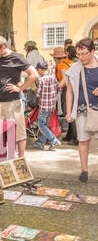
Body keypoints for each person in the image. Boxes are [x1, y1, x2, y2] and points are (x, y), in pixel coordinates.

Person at [0, 36, 38, 157]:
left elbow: (34, 75)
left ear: (4, 47)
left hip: (14, 102)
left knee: (19, 133)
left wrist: (21, 88)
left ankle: (21, 159)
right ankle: (4, 157)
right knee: (0, 133)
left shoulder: (17, 57)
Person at [65, 37, 98, 182]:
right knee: (83, 141)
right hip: (82, 110)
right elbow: (69, 91)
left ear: (92, 51)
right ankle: (84, 170)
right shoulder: (75, 68)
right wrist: (68, 112)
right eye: (79, 54)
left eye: (84, 54)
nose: (81, 57)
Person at [33, 61, 61, 150]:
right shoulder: (53, 78)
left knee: (41, 125)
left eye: (37, 69)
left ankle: (54, 140)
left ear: (40, 70)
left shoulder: (40, 80)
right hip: (51, 106)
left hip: (44, 106)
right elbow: (58, 88)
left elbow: (38, 93)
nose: (37, 71)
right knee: (46, 124)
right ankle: (41, 143)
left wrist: (35, 91)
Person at [51, 46, 76, 143]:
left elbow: (65, 79)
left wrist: (56, 89)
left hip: (68, 89)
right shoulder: (70, 62)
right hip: (75, 88)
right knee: (70, 111)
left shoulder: (61, 65)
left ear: (55, 58)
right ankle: (70, 135)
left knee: (68, 112)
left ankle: (74, 137)